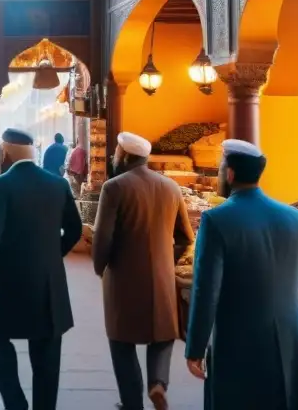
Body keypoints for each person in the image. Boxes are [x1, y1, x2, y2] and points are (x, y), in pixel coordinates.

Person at [185, 139, 298, 410]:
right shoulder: (296, 217)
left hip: (238, 339)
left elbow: (206, 290)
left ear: (231, 173)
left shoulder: (216, 220)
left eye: (221, 167)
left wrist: (196, 348)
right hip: (288, 337)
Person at [0, 128, 83, 410]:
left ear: (5, 152)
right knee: (47, 349)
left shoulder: (0, 185)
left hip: (7, 282)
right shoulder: (58, 185)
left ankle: (16, 403)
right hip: (48, 283)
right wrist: (53, 255)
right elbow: (75, 229)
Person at [93, 132, 195, 410]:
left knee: (121, 340)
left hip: (123, 277)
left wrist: (100, 266)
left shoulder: (114, 188)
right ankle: (158, 384)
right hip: (161, 276)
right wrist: (166, 260)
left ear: (124, 156)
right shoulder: (170, 187)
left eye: (115, 152)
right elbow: (186, 236)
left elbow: (104, 236)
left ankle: (131, 403)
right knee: (162, 334)